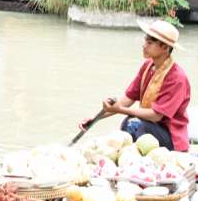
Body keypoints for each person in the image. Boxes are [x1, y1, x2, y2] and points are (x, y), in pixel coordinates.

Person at [81, 20, 191, 152]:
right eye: (145, 41)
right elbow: (127, 99)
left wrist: (121, 110)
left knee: (135, 124)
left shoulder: (177, 78)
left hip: (171, 138)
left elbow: (156, 116)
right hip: (149, 127)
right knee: (129, 123)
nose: (144, 46)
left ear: (165, 48)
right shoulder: (147, 67)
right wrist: (95, 119)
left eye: (149, 43)